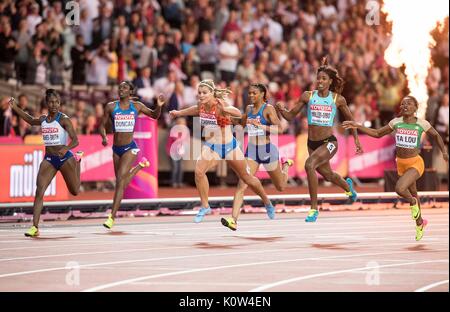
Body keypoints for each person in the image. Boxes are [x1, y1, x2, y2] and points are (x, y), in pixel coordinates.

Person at [343, 96, 449, 241]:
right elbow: (377, 133)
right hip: (401, 163)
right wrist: (358, 125)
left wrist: (443, 151)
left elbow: (436, 136)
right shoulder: (396, 122)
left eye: (409, 103)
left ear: (415, 108)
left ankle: (412, 203)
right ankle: (420, 223)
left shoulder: (421, 124)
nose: (405, 105)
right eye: (403, 103)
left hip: (416, 163)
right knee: (413, 192)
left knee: (400, 189)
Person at [169, 79, 276, 223]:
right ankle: (205, 206)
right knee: (199, 171)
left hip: (230, 147)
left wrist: (227, 109)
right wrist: (178, 113)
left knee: (247, 178)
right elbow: (194, 109)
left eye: (204, 92)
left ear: (212, 93)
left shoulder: (219, 105)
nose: (201, 95)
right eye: (199, 92)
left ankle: (267, 202)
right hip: (213, 147)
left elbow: (238, 113)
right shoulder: (201, 106)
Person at [275, 57, 363, 222]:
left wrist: (357, 141)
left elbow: (351, 122)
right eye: (318, 78)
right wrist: (281, 108)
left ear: (330, 81)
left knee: (309, 165)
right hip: (311, 143)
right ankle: (348, 188)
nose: (320, 81)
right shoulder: (308, 96)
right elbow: (290, 116)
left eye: (324, 79)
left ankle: (314, 209)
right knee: (328, 175)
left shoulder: (338, 99)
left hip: (329, 142)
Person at [9, 90, 83, 237]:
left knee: (75, 191)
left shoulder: (64, 120)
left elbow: (76, 140)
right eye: (51, 102)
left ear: (60, 103)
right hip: (49, 159)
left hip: (65, 158)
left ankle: (78, 161)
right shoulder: (43, 119)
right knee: (39, 191)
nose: (54, 105)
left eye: (57, 102)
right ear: (47, 103)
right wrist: (16, 108)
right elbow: (30, 120)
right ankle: (35, 227)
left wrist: (66, 148)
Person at [222, 83, 293, 231]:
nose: (251, 96)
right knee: (242, 185)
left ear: (262, 94)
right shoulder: (248, 109)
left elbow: (280, 129)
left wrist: (261, 126)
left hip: (267, 150)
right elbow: (241, 123)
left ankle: (285, 165)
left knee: (281, 186)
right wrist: (228, 119)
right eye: (250, 93)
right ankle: (233, 220)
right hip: (252, 151)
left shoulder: (268, 109)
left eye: (254, 93)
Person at [99, 81, 166, 229]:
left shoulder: (137, 106)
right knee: (121, 182)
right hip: (116, 149)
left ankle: (112, 217)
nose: (121, 89)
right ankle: (140, 166)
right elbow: (102, 125)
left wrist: (159, 105)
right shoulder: (111, 106)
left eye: (124, 88)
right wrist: (104, 137)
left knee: (120, 182)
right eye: (120, 87)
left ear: (130, 92)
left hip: (130, 148)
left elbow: (154, 116)